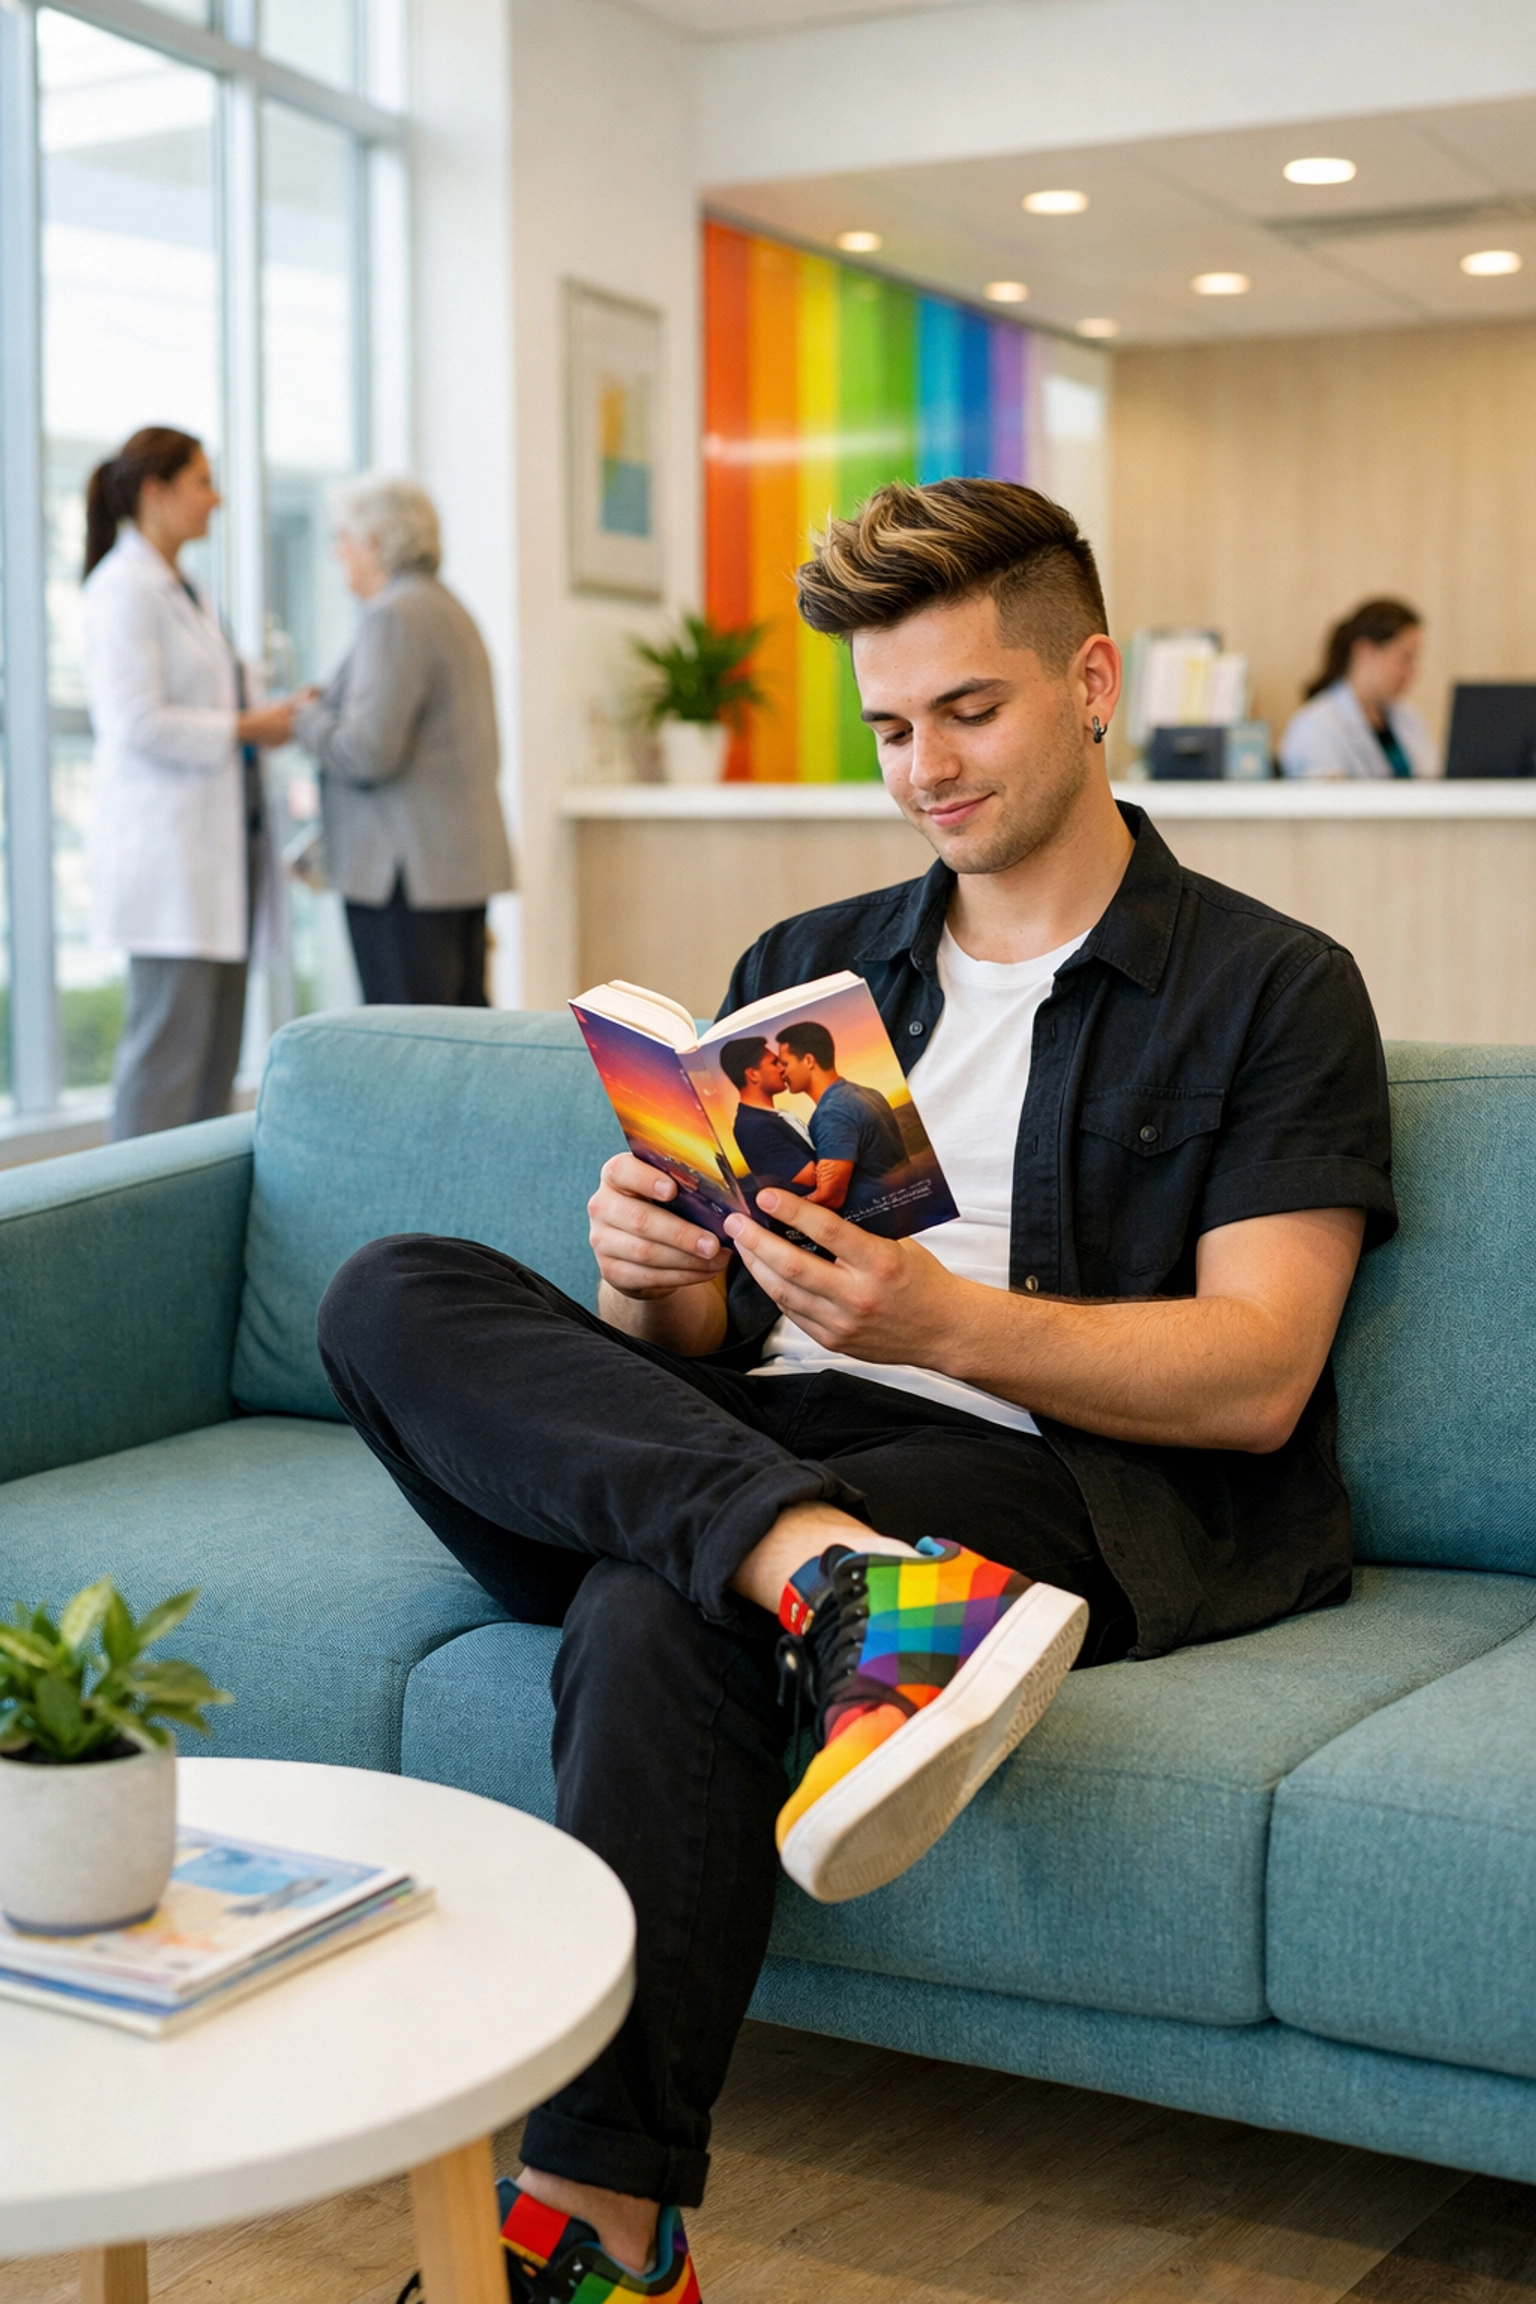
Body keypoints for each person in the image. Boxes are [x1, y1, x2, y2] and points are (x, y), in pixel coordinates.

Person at [318, 478, 1395, 2304]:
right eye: (891, 725)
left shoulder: (1270, 989)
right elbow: (705, 1359)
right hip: (764, 1450)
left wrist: (938, 1321)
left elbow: (1258, 1375)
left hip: (1054, 1469)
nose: (925, 767)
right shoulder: (807, 977)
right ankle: (831, 1583)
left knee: (654, 1604)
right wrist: (648, 1287)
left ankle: (593, 2235)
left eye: (967, 710)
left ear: (1091, 682)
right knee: (388, 1288)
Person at [82, 427, 303, 1140]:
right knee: (164, 1070)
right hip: (170, 863)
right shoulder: (122, 590)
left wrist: (267, 707)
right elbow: (134, 722)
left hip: (221, 858)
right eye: (203, 482)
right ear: (156, 491)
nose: (218, 498)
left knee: (211, 1070)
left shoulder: (189, 588)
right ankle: (129, 1240)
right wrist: (242, 726)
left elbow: (209, 689)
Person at [293, 474, 514, 1005]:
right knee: (461, 1037)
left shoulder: (395, 615)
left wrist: (305, 719)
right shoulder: (448, 609)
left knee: (411, 1048)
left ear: (374, 541)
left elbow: (369, 752)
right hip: (452, 865)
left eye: (343, 538)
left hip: (404, 874)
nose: (338, 552)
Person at [1279, 598, 1437, 780]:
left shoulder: (1409, 717)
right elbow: (1325, 804)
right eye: (1405, 658)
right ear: (1364, 651)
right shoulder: (1316, 726)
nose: (1413, 671)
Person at [776, 1017, 908, 1215]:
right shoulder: (869, 1093)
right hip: (904, 1207)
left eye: (785, 1063)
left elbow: (831, 1196)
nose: (781, 1071)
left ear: (809, 1060)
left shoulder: (831, 1113)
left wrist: (782, 1209)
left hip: (878, 1222)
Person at [717, 1036, 815, 1191]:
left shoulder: (763, 1117)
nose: (782, 1068)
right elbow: (808, 1177)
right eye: (774, 1062)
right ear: (752, 1075)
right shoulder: (754, 1126)